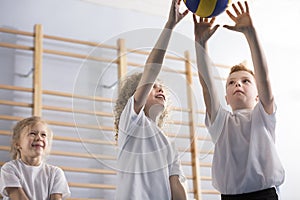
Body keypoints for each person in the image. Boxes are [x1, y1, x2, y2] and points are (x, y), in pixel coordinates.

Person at [193, 1, 285, 199]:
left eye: (245, 81)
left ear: (258, 95)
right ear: (226, 97)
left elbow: (265, 78)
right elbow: (207, 87)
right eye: (232, 82)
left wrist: (250, 34)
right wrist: (200, 44)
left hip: (264, 195)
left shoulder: (263, 115)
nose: (238, 85)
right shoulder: (221, 122)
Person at [113, 0, 188, 199]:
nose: (159, 88)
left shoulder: (168, 144)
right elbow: (152, 69)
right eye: (153, 86)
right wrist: (170, 26)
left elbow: (177, 189)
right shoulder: (132, 122)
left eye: (160, 86)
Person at [0, 116, 71, 200]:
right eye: (32, 134)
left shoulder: (55, 173)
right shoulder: (9, 169)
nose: (39, 138)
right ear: (17, 144)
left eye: (43, 135)